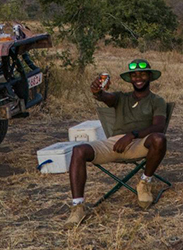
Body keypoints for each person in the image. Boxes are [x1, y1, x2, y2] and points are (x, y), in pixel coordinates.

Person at [66, 59, 168, 227]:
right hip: (114, 143)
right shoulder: (121, 97)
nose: (138, 78)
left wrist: (132, 135)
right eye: (134, 75)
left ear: (149, 76)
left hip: (140, 143)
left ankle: (144, 183)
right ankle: (78, 206)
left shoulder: (157, 101)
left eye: (142, 74)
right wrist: (97, 92)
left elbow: (159, 126)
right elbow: (107, 97)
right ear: (130, 79)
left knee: (159, 139)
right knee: (78, 150)